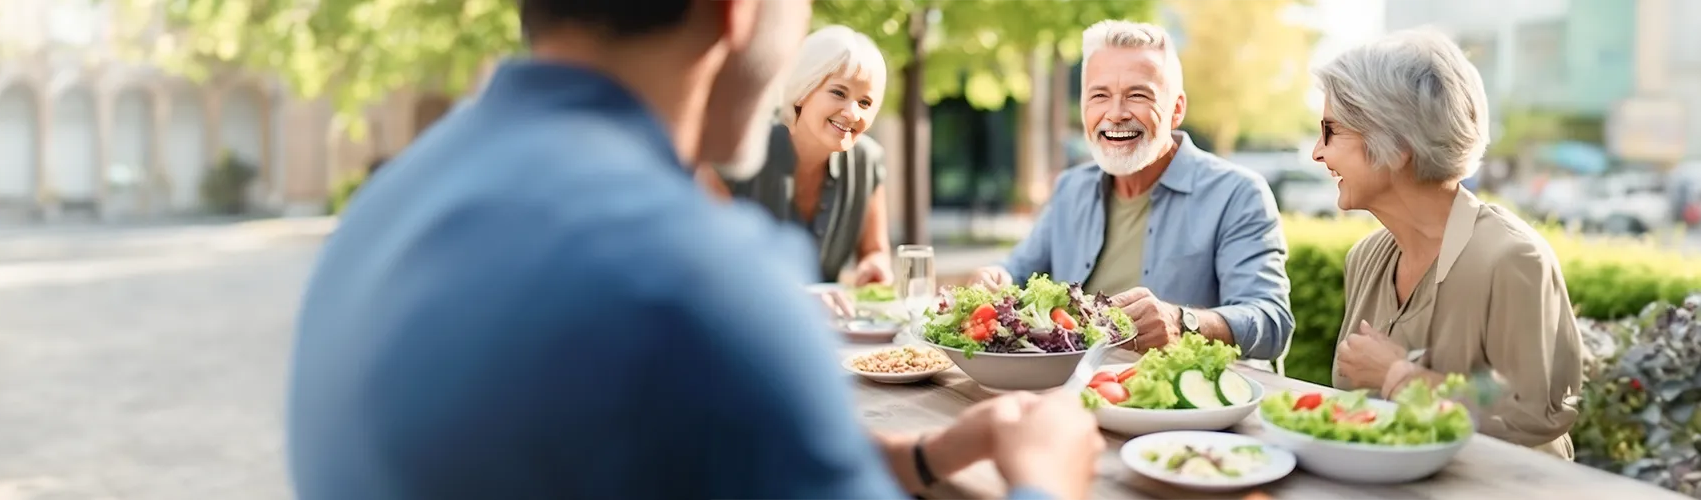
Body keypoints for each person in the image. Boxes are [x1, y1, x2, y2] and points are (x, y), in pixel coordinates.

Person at [287, 1, 1104, 499]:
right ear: (737, 9)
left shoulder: (390, 201)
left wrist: (924, 456)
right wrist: (1047, 480)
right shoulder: (697, 277)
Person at [1313, 28, 1585, 459]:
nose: (1317, 153)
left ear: (1397, 141)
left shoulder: (1513, 259)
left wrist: (1400, 376)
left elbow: (1539, 411)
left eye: (1331, 131)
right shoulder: (1365, 260)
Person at [970, 20, 1294, 365]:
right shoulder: (1071, 188)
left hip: (1183, 406)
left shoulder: (1238, 193)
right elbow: (1017, 271)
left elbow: (1272, 322)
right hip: (1075, 394)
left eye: (1138, 95)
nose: (1116, 113)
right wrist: (994, 279)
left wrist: (1183, 322)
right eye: (1099, 96)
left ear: (1177, 110)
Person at [720, 26, 895, 286]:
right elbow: (711, 265)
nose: (852, 113)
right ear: (804, 89)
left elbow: (874, 252)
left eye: (865, 103)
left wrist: (874, 268)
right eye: (839, 92)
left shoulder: (866, 161)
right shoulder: (742, 151)